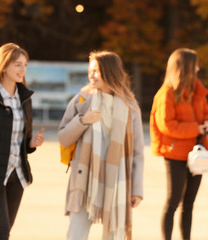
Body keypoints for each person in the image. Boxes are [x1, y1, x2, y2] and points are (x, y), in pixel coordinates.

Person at [58, 51, 144, 240]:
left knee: (115, 236)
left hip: (117, 182)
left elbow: (138, 152)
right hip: (84, 180)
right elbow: (63, 138)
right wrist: (83, 120)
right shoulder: (82, 100)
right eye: (90, 71)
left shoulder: (130, 106)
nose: (91, 75)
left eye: (96, 71)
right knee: (76, 235)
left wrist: (137, 190)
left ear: (110, 72)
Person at [150, 48, 208, 240]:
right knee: (173, 201)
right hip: (175, 154)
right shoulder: (166, 93)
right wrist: (198, 128)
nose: (198, 68)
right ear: (184, 67)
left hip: (197, 153)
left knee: (189, 204)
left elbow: (206, 114)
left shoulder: (197, 90)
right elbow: (167, 126)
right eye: (194, 64)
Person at [0, 43, 44, 240]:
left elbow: (21, 141)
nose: (22, 69)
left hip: (17, 175)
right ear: (4, 66)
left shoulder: (24, 98)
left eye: (25, 65)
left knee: (4, 230)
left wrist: (30, 143)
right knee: (1, 232)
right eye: (17, 64)